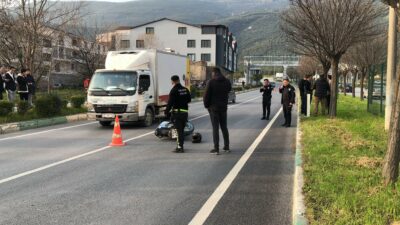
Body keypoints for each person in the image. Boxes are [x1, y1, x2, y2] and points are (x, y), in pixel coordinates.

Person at [203, 67, 231, 155]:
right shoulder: (227, 81)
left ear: (214, 73)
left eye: (212, 73)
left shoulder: (211, 82)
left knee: (215, 128)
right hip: (223, 108)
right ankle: (226, 146)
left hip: (214, 108)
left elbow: (206, 96)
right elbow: (229, 90)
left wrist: (207, 106)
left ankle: (216, 148)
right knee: (224, 127)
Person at [165, 75, 191, 153]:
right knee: (181, 130)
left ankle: (180, 147)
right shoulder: (185, 89)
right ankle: (181, 145)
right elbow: (189, 100)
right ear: (179, 80)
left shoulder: (174, 90)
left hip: (177, 113)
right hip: (184, 113)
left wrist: (166, 111)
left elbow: (170, 103)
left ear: (173, 81)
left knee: (178, 131)